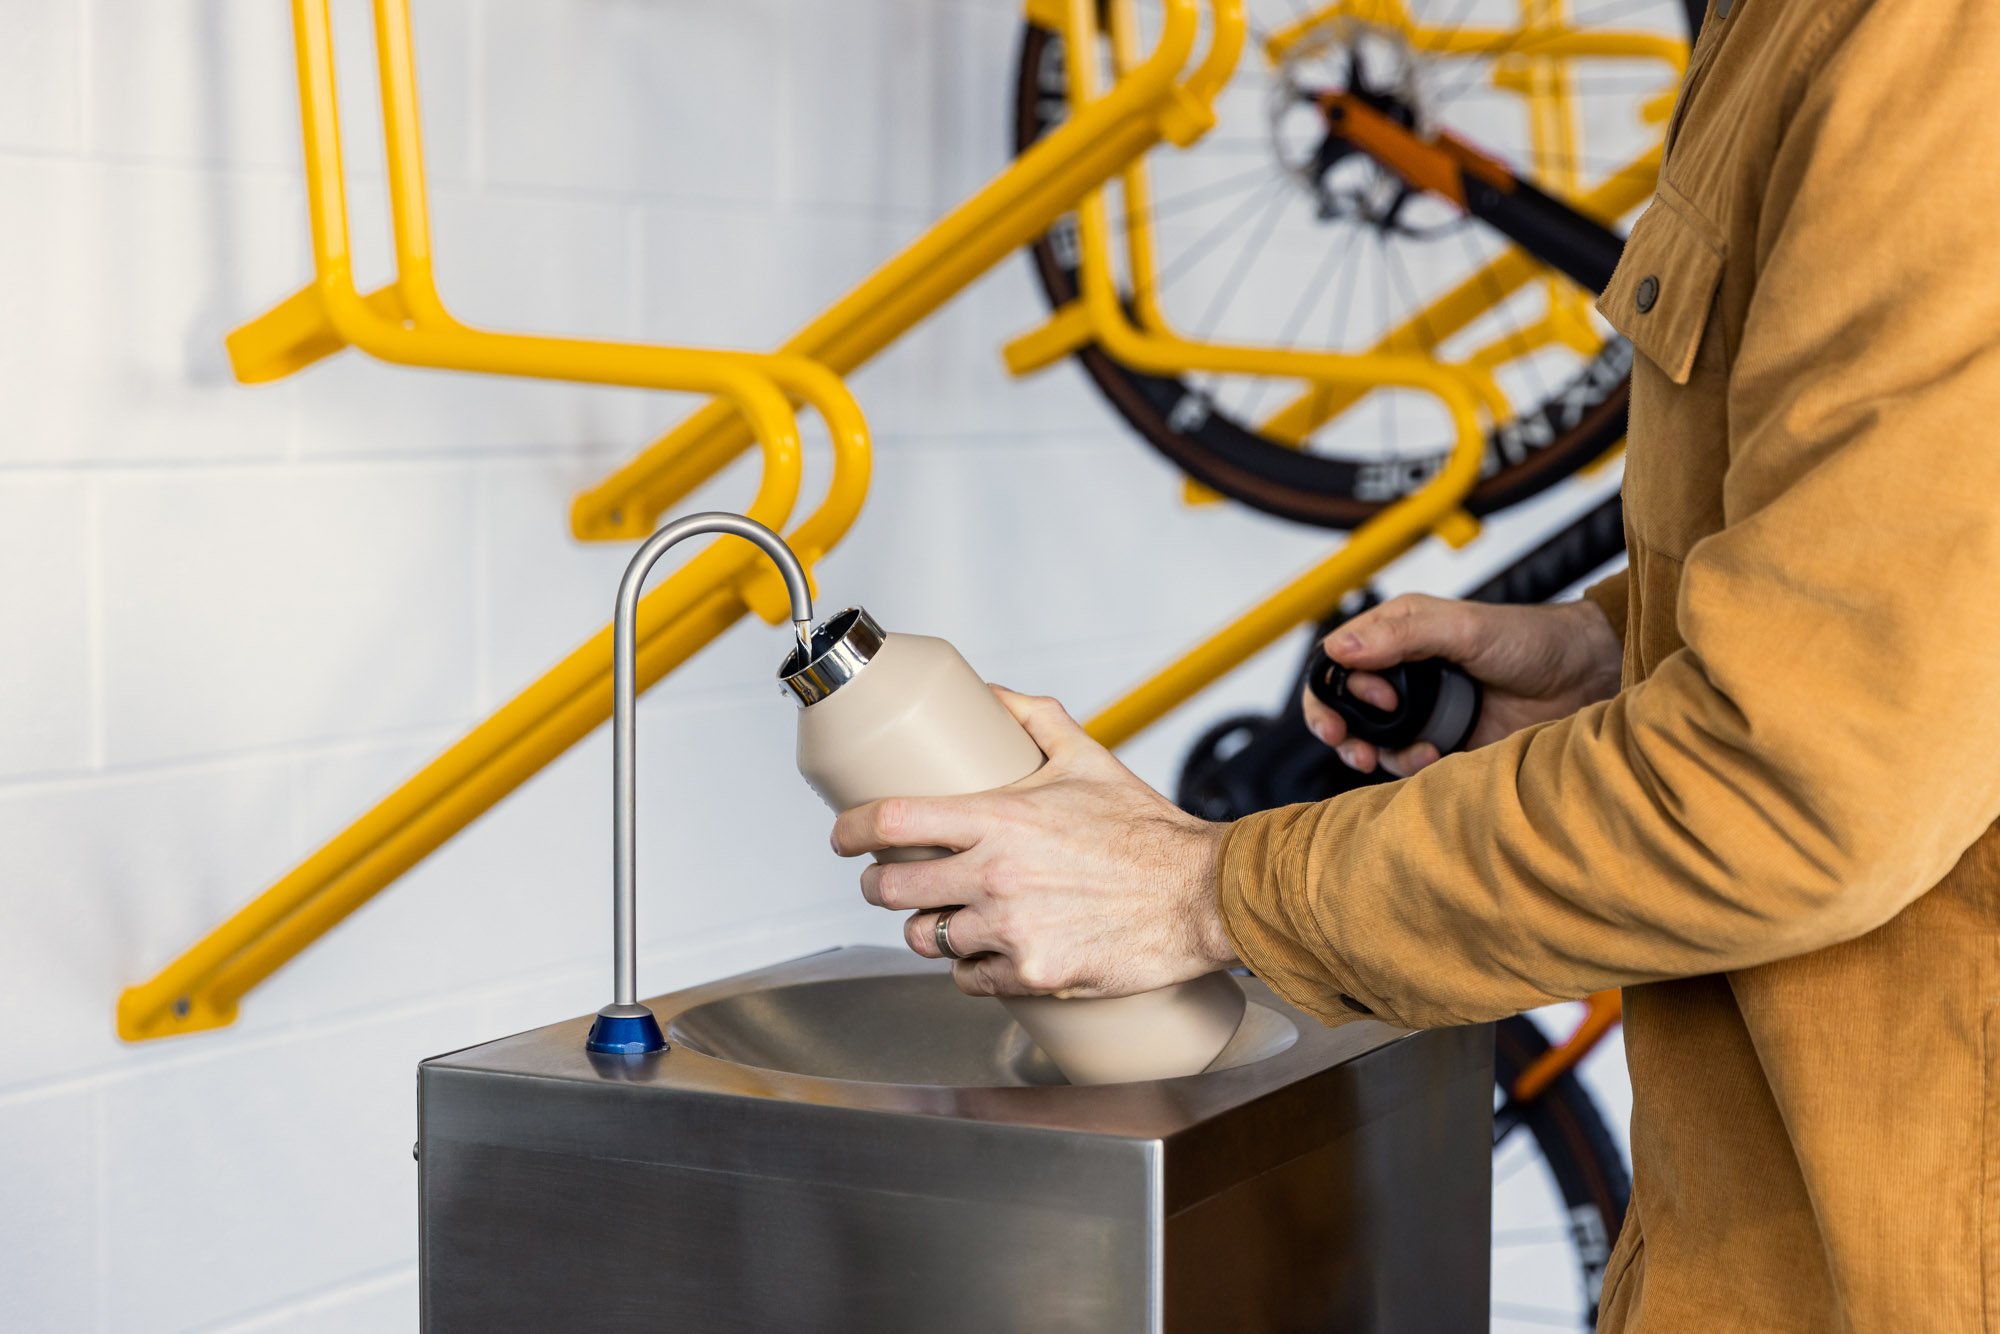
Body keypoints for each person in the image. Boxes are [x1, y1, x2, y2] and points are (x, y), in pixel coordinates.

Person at [832, 0, 2000, 1327]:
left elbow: (1802, 787)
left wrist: (1208, 889)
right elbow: (1919, 591)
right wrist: (1627, 651)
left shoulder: (1934, 48)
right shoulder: (1786, 29)